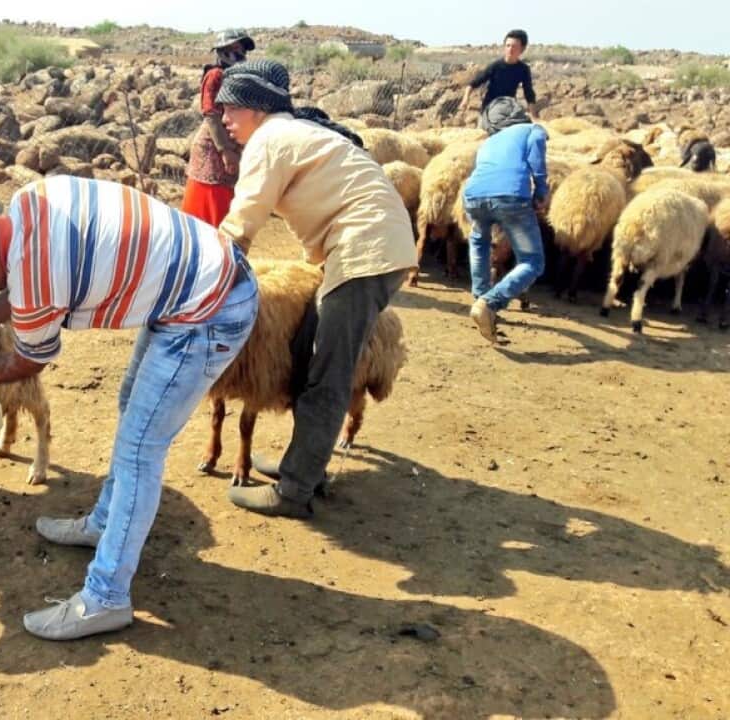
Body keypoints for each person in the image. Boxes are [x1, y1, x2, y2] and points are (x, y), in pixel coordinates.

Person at [0, 176, 259, 640]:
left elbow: (28, 360)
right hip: (194, 280)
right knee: (130, 411)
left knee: (141, 449)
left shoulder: (37, 282)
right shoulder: (26, 202)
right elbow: (19, 281)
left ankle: (107, 598)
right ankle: (103, 523)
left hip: (209, 310)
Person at [211, 60, 417, 519]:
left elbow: (242, 222)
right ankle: (302, 466)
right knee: (307, 357)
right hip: (368, 246)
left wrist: (204, 272)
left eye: (231, 108)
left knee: (327, 371)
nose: (223, 119)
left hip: (365, 251)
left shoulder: (270, 140)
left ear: (257, 108)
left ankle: (295, 490)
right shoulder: (291, 134)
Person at [461, 96, 548, 343]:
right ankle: (489, 303)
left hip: (473, 196)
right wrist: (541, 192)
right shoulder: (532, 130)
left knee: (479, 243)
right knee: (532, 261)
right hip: (510, 197)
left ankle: (480, 297)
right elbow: (537, 164)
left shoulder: (489, 141)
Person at [180, 28, 254, 227]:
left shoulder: (237, 77)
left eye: (241, 49)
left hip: (230, 145)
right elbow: (211, 115)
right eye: (234, 48)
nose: (239, 53)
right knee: (210, 205)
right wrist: (225, 150)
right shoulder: (215, 75)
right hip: (214, 148)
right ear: (222, 50)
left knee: (226, 205)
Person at [460, 29, 538, 122]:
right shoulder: (495, 66)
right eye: (508, 46)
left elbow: (529, 93)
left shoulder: (523, 69)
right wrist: (465, 99)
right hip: (489, 108)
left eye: (514, 46)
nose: (510, 49)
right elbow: (473, 84)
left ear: (522, 49)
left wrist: (534, 117)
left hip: (508, 108)